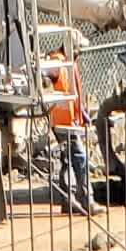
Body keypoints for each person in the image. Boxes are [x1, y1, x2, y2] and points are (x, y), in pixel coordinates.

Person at [43, 42, 95, 219]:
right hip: (63, 120)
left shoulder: (68, 62)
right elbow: (47, 75)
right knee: (80, 158)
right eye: (78, 49)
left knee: (67, 160)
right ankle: (87, 200)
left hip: (68, 119)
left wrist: (83, 114)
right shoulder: (58, 62)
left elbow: (75, 95)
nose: (79, 52)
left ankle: (69, 201)